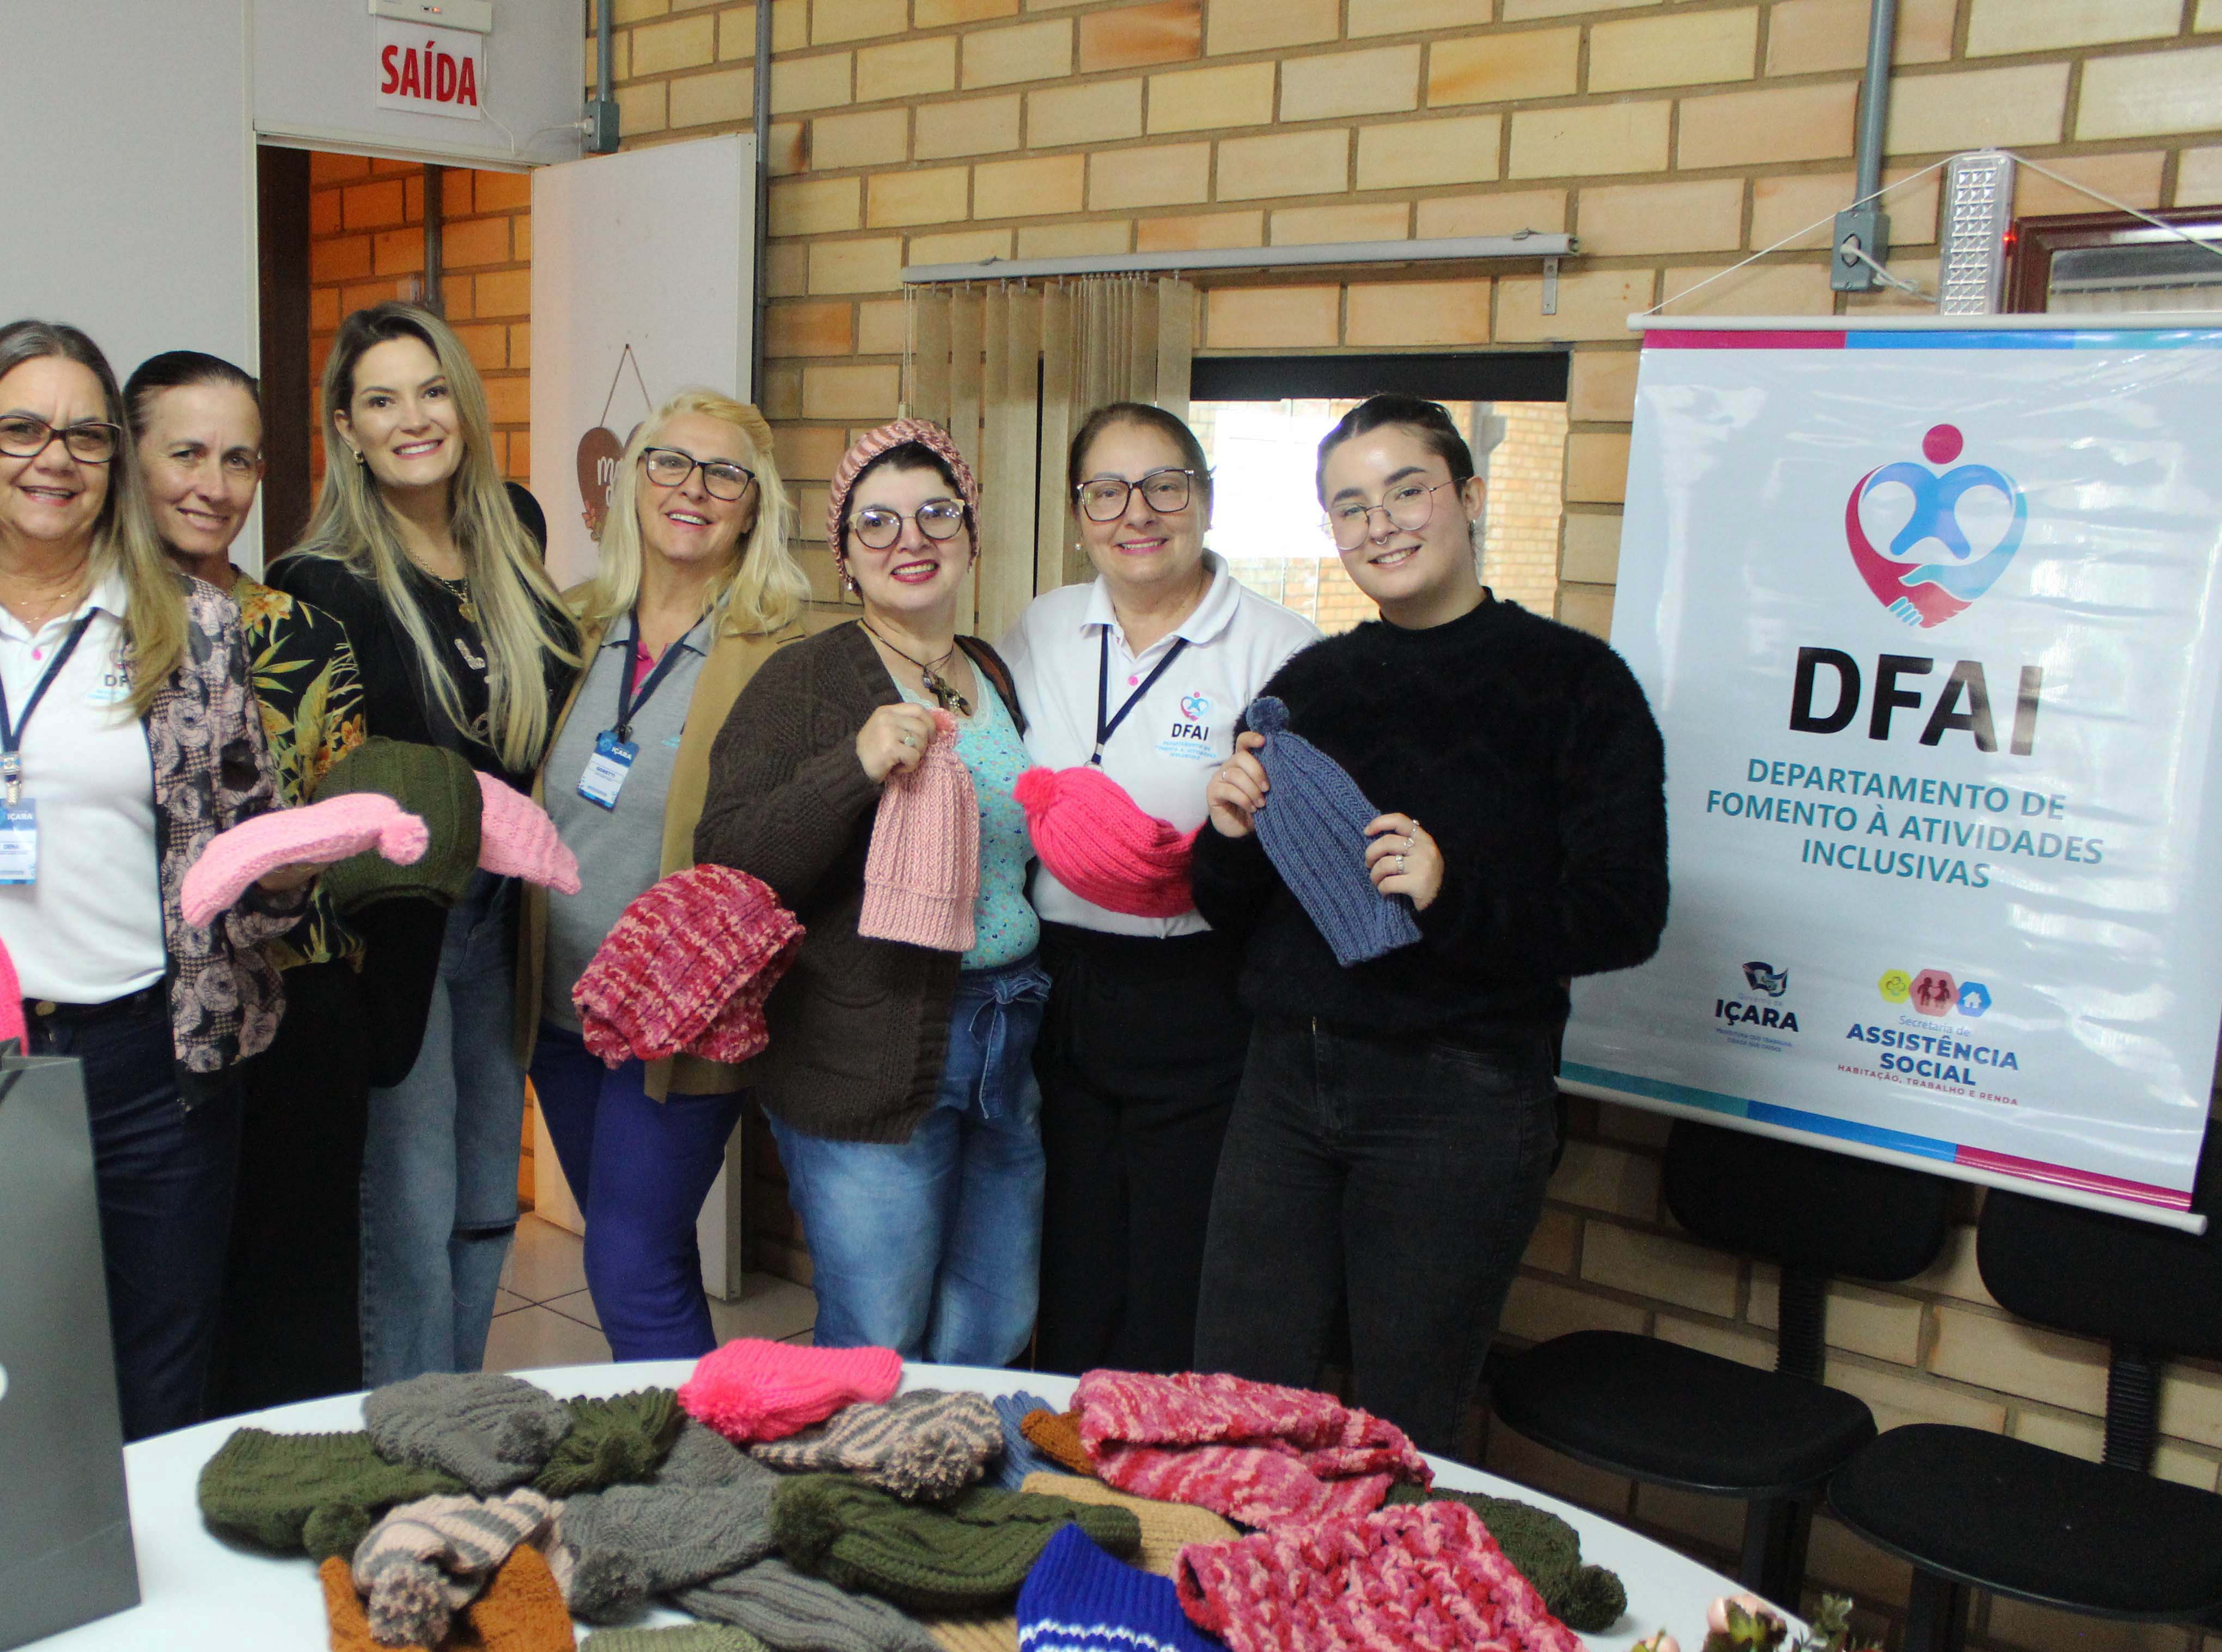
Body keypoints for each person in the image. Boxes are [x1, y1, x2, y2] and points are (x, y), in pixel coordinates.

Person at [1189, 394, 1668, 1452]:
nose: (1383, 525)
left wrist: (1454, 896)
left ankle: (1377, 1611)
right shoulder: (1309, 686)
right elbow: (1230, 910)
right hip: (1285, 1083)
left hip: (1458, 1097)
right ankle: (1228, 1597)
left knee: (1400, 1417)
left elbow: (1627, 918)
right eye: (1350, 507)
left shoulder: (1576, 686)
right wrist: (1225, 833)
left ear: (1471, 497)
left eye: (1407, 490)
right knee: (1235, 1396)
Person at [0, 320, 301, 1441]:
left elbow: (243, 847)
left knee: (157, 1376)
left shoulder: (191, 624)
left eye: (83, 435)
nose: (50, 459)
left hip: (148, 1062)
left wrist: (298, 863)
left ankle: (146, 1608)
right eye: (19, 428)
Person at [266, 302, 578, 1386]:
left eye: (432, 390)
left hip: (505, 916)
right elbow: (325, 784)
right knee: (412, 1208)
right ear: (344, 430)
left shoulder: (516, 534)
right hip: (399, 927)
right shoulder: (319, 582)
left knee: (491, 1200)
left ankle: (461, 1414)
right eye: (381, 401)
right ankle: (406, 1437)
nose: (414, 419)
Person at [696, 419, 1046, 1365]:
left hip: (1004, 1040)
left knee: (994, 1325)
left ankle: (956, 1505)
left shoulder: (996, 673)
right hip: (863, 1050)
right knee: (876, 1345)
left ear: (971, 536)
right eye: (878, 523)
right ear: (846, 558)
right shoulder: (805, 681)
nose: (911, 539)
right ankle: (855, 1511)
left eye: (937, 513)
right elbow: (728, 858)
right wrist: (852, 766)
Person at [999, 401, 1316, 1374]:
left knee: (1176, 1263)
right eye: (1107, 490)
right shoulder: (1041, 628)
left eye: (1164, 485)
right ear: (1079, 511)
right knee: (1069, 1248)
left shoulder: (1278, 646)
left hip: (1200, 993)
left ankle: (1157, 1490)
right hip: (1054, 981)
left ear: (1205, 499)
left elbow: (1298, 858)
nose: (1137, 512)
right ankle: (1063, 1472)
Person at [522, 389, 811, 1360]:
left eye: (724, 472)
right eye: (669, 462)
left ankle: (695, 1477)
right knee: (636, 1245)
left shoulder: (782, 649)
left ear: (755, 503)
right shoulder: (570, 623)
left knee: (628, 1260)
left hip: (682, 1016)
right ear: (632, 480)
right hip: (559, 1010)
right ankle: (685, 1433)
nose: (694, 489)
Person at [124, 348, 374, 1414]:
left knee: (290, 1296)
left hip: (292, 1006)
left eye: (238, 459)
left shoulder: (306, 635)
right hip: (132, 1007)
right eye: (184, 452)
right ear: (127, 459)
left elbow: (349, 825)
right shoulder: (88, 636)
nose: (213, 485)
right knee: (164, 1312)